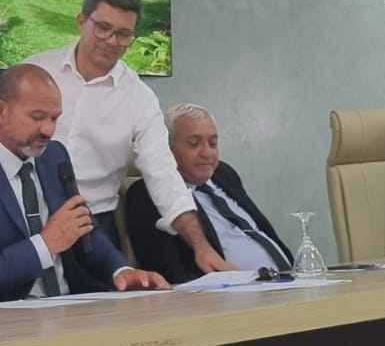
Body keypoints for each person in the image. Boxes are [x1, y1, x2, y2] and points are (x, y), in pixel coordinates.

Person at [24, 0, 235, 274]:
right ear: (82, 21)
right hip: (24, 219)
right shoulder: (35, 72)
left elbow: (163, 173)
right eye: (103, 28)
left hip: (93, 230)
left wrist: (201, 246)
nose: (112, 41)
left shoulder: (139, 98)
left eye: (123, 34)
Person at [0, 64, 169, 305]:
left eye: (54, 118)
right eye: (37, 117)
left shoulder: (53, 156)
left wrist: (121, 271)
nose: (49, 130)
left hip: (72, 307)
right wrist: (43, 246)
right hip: (4, 318)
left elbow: (83, 226)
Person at [124, 104, 293, 282]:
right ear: (167, 149)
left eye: (213, 143)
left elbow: (260, 231)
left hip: (286, 279)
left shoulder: (223, 174)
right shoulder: (145, 194)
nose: (207, 153)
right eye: (194, 144)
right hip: (232, 292)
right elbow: (170, 274)